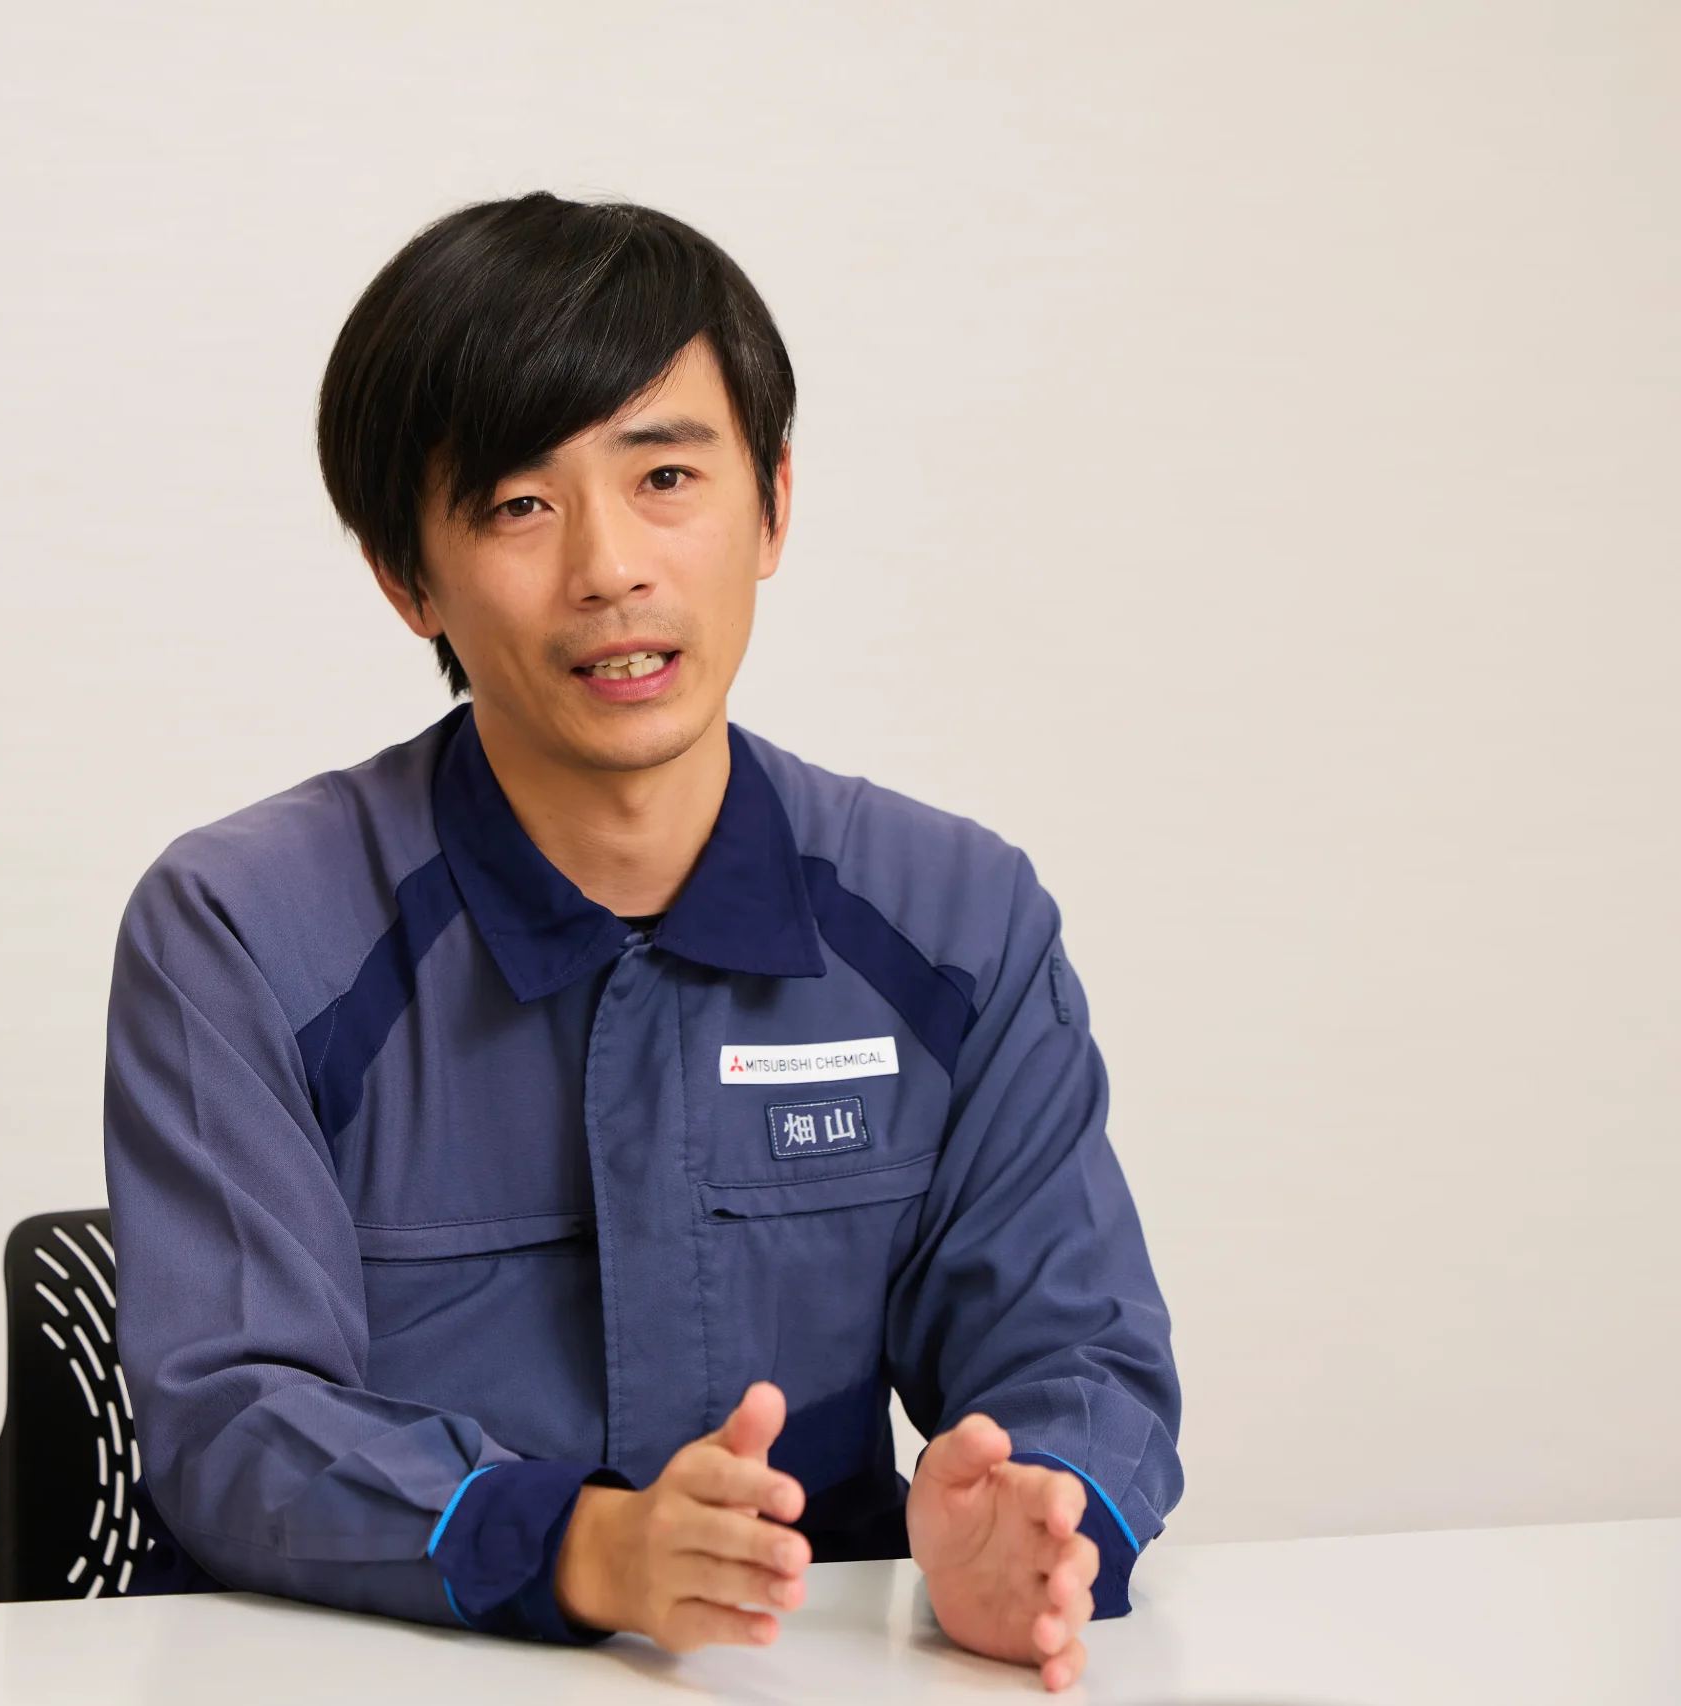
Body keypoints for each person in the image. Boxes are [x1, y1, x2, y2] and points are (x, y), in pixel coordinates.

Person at [103, 193, 1180, 1688]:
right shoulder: (244, 929)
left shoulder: (956, 920)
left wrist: (1042, 1525)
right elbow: (233, 1416)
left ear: (773, 504)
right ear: (406, 576)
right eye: (517, 505)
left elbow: (1079, 1350)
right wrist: (584, 1548)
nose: (609, 566)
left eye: (666, 474)